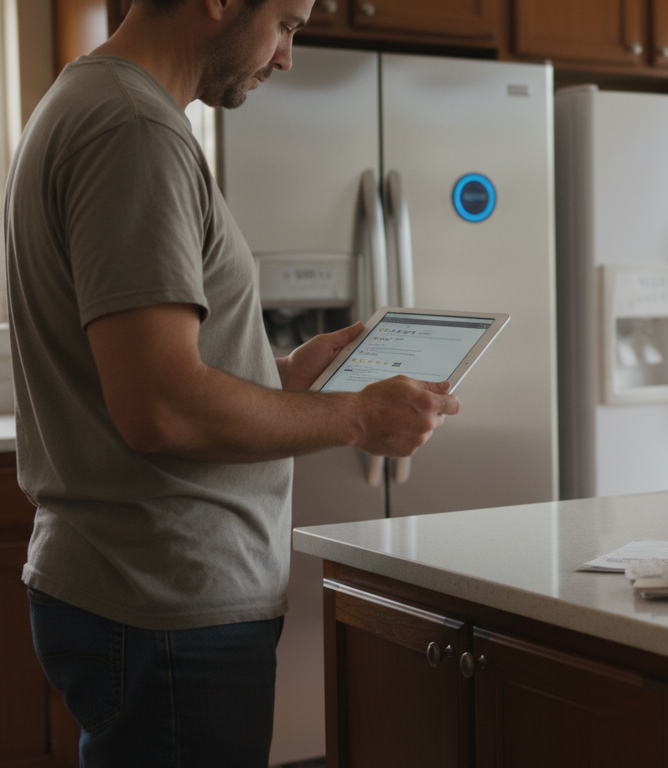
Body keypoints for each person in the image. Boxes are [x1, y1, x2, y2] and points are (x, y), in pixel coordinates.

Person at [5, 0, 460, 764]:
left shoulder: (89, 103)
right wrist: (355, 420)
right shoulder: (135, 131)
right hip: (168, 599)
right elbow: (161, 408)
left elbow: (143, 373)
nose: (285, 56)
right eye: (285, 22)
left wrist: (280, 376)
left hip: (136, 589)